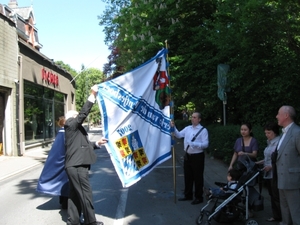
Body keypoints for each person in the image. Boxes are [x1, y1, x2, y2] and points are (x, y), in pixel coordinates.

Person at [64, 85, 108, 225]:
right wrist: (92, 95)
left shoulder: (75, 130)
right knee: (85, 193)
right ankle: (91, 222)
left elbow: (82, 146)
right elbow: (83, 114)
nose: (79, 116)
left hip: (73, 165)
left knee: (74, 195)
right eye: (76, 115)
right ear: (72, 117)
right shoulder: (70, 123)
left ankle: (74, 221)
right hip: (77, 166)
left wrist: (97, 144)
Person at [171, 112, 209, 205]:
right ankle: (188, 195)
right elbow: (179, 135)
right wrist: (173, 127)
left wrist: (195, 144)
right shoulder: (188, 128)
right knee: (188, 176)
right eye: (192, 117)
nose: (192, 119)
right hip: (188, 155)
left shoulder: (203, 130)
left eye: (195, 117)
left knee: (198, 177)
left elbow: (206, 144)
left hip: (198, 156)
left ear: (199, 119)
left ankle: (198, 197)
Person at [36, 116, 69, 209]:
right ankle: (65, 202)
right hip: (65, 161)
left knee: (64, 182)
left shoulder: (61, 132)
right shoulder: (65, 133)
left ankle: (63, 201)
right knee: (66, 182)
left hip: (62, 160)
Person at [275, 105, 300, 225]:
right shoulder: (283, 133)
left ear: (286, 115)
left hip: (293, 181)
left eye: (278, 114)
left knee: (296, 213)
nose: (276, 116)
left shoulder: (297, 132)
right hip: (282, 180)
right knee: (285, 213)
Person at [256, 122, 281, 222]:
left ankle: (280, 216)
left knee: (276, 195)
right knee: (272, 194)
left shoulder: (278, 143)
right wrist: (259, 162)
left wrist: (270, 166)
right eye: (266, 133)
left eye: (269, 133)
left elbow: (279, 159)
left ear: (274, 132)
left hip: (275, 173)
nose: (267, 135)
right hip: (268, 173)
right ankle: (276, 215)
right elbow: (268, 158)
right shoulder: (269, 142)